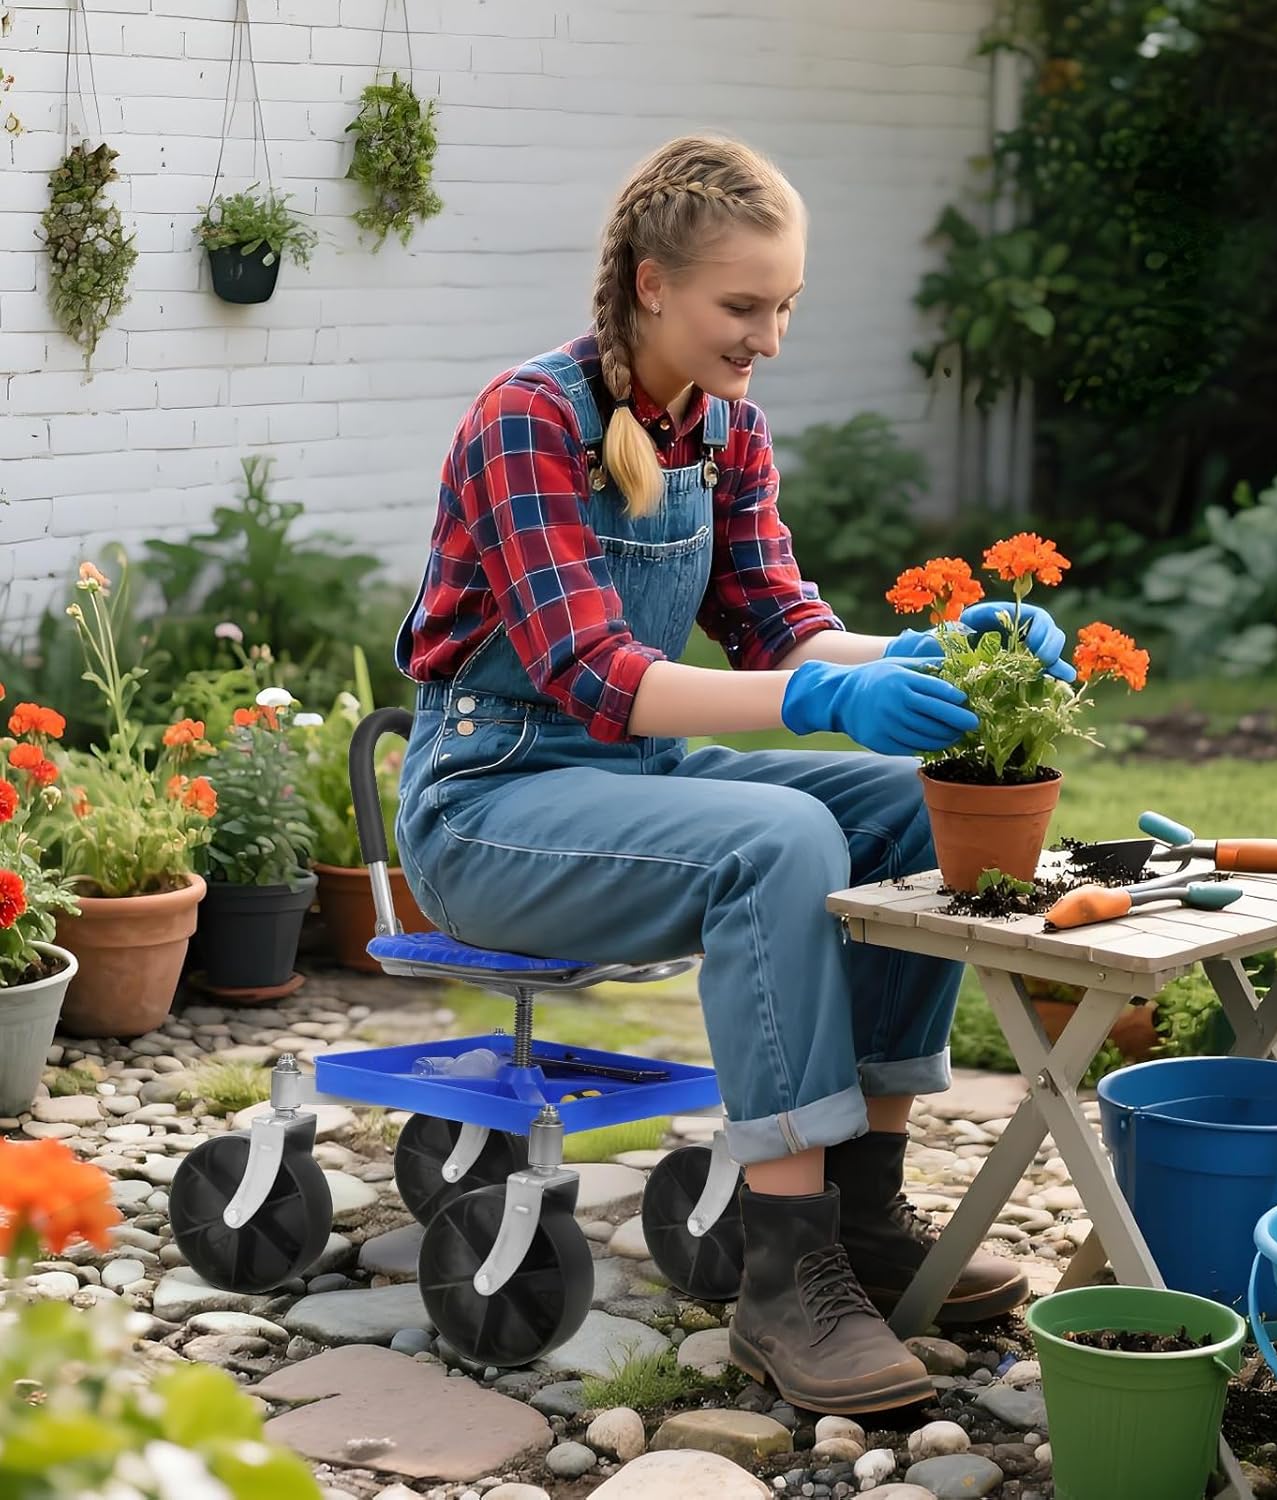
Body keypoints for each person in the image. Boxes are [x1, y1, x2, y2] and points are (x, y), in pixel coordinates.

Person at [393, 134, 1073, 1414]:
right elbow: (596, 670)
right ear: (652, 283)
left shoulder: (725, 432)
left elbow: (781, 625)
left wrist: (940, 645)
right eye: (742, 306)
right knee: (777, 843)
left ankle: (866, 1216)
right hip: (489, 805)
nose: (769, 336)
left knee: (889, 804)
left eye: (786, 307)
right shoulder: (528, 420)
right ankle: (783, 1276)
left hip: (628, 782)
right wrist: (824, 697)